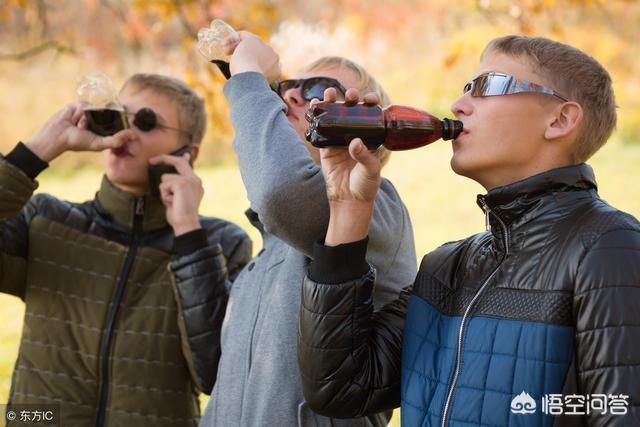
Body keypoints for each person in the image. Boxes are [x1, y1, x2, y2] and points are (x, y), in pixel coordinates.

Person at [298, 35, 640, 426]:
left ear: (560, 119)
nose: (458, 105)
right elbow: (339, 389)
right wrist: (348, 207)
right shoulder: (448, 266)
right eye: (465, 88)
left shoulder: (609, 247)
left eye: (488, 85)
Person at [1, 73, 251, 426]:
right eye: (119, 115)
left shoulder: (220, 244)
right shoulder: (46, 220)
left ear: (187, 153)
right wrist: (36, 151)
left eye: (147, 122)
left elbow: (212, 373)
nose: (127, 132)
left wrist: (188, 235)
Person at [199, 33, 417, 426]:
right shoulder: (260, 258)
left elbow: (282, 192)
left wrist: (248, 78)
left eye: (318, 89)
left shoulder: (378, 205)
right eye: (285, 89)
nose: (293, 97)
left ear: (366, 118)